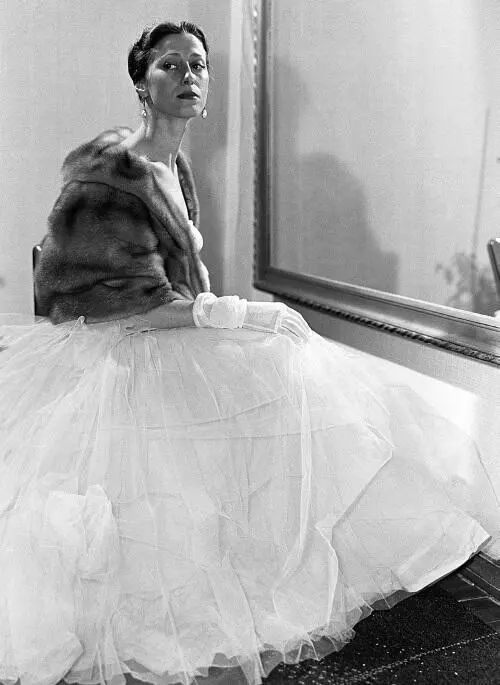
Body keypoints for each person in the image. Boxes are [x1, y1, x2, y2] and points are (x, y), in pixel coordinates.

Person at [0, 20, 498, 685]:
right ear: (141, 82)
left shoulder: (175, 165)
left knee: (296, 372)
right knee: (257, 392)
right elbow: (99, 302)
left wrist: (225, 315)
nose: (188, 77)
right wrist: (230, 312)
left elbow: (180, 283)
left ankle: (324, 555)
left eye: (198, 65)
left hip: (173, 338)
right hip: (120, 354)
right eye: (170, 65)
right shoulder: (107, 174)